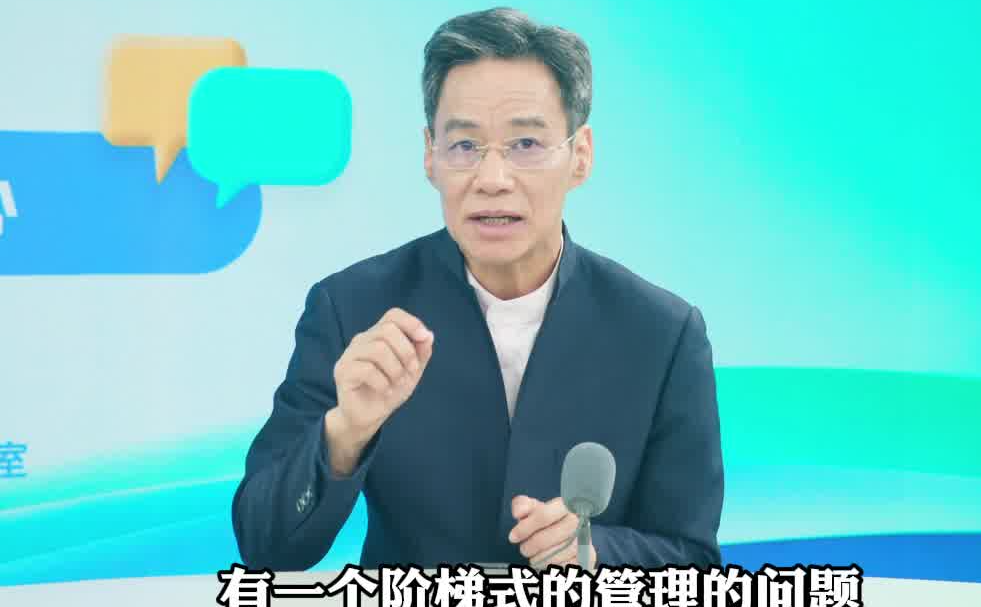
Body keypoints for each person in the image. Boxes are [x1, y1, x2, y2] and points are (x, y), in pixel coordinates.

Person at [232, 6, 724, 571]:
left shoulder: (661, 333)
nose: (492, 180)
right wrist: (344, 434)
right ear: (429, 155)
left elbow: (694, 561)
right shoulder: (353, 308)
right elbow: (264, 545)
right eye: (465, 146)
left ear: (580, 156)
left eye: (526, 144)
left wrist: (597, 553)